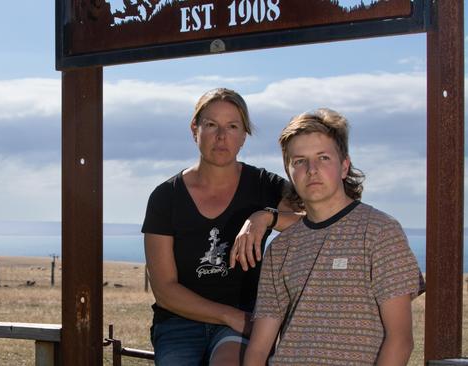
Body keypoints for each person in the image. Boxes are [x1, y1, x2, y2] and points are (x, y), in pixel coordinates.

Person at [244, 108, 425, 366]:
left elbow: (400, 339)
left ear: (344, 167)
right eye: (299, 161)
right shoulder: (281, 248)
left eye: (323, 158)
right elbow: (259, 348)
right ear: (290, 172)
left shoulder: (380, 231)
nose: (312, 170)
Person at [142, 88, 299, 365]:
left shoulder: (264, 186)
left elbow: (312, 219)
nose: (221, 136)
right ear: (195, 129)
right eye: (211, 125)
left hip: (244, 317)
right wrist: (230, 316)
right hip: (180, 322)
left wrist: (264, 217)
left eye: (232, 126)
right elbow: (165, 290)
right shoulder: (166, 197)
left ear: (243, 136)